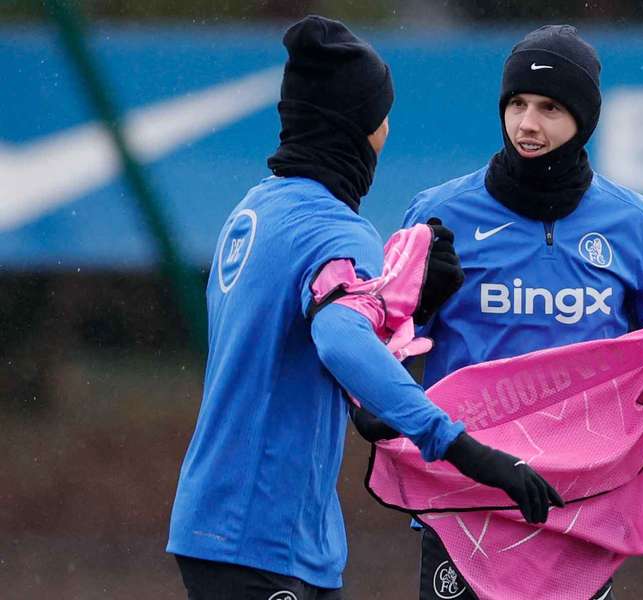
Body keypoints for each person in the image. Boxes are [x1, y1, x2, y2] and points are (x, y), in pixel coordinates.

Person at [166, 16, 562, 600]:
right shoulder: (336, 231)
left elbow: (336, 379)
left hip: (244, 530)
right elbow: (339, 340)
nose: (387, 129)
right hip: (261, 537)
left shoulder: (254, 213)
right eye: (382, 115)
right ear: (361, 127)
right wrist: (461, 448)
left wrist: (404, 311)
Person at [374, 24, 643, 600]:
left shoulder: (631, 221)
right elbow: (381, 346)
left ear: (584, 120)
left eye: (548, 107)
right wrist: (417, 306)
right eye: (517, 103)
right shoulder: (440, 212)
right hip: (469, 497)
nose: (527, 124)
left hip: (578, 504)